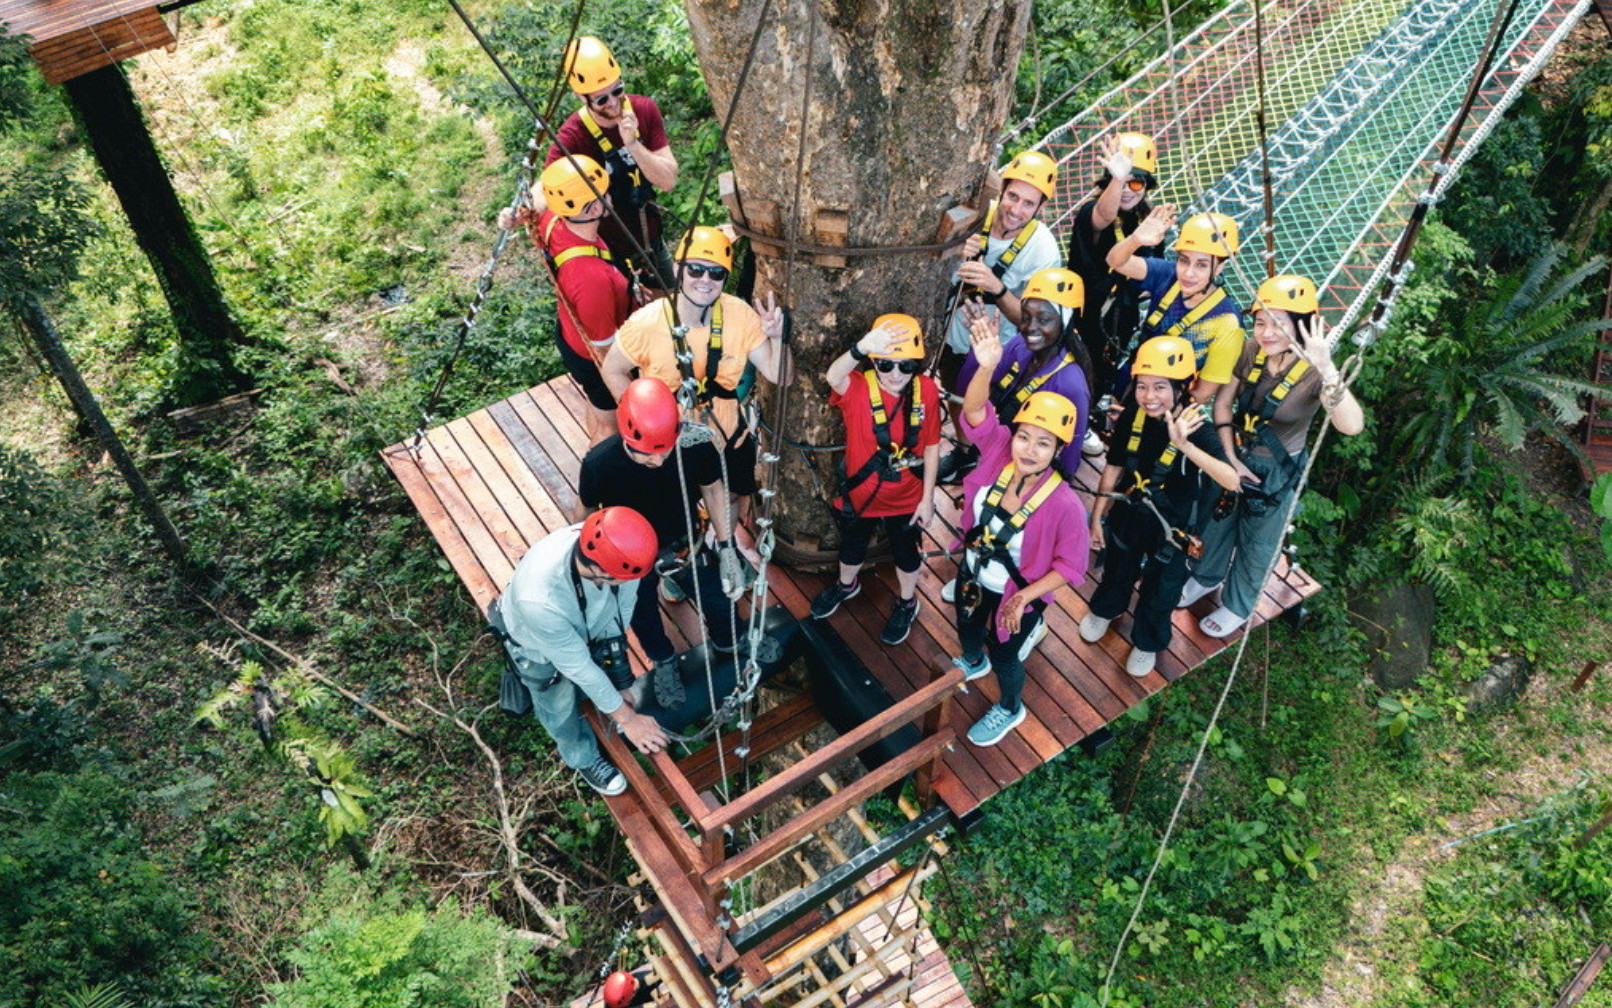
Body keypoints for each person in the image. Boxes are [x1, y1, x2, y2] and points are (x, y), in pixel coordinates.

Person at [1177, 275, 1364, 638]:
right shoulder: (1249, 351)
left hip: (1277, 469)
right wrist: (1230, 457)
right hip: (1234, 451)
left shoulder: (1314, 372)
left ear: (1302, 326)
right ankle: (1206, 575)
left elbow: (1351, 425)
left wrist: (1327, 367)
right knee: (1215, 522)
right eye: (1261, 321)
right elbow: (1225, 404)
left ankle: (1237, 605)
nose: (1266, 332)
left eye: (1278, 323)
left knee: (1259, 541)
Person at [950, 305, 1090, 748]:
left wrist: (1025, 599)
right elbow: (975, 413)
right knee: (969, 626)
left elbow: (1071, 567)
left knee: (1005, 651)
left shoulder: (1064, 505)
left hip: (1017, 591)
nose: (1029, 449)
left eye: (1043, 443)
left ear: (1057, 450)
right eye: (1025, 436)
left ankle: (1010, 707)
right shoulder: (999, 451)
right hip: (975, 569)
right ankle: (971, 660)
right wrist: (986, 367)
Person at [602, 226, 788, 525]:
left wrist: (778, 338)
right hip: (673, 441)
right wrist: (643, 419)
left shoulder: (739, 315)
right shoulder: (647, 323)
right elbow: (613, 369)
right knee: (681, 508)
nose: (705, 280)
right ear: (678, 270)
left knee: (734, 495)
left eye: (716, 274)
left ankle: (729, 543)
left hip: (727, 435)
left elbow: (780, 375)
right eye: (696, 270)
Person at [1079, 336, 1242, 677]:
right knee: (1118, 566)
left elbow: (1231, 479)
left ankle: (1147, 641)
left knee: (1163, 586)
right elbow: (1113, 467)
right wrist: (1097, 517)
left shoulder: (1198, 428)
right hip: (1132, 509)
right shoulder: (1133, 417)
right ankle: (1107, 608)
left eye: (1160, 387)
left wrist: (1185, 446)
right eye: (1142, 386)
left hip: (1176, 523)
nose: (1149, 397)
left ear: (1182, 387)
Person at [579, 379, 745, 706]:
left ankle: (731, 645)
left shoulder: (694, 445)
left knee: (717, 596)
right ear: (627, 437)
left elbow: (712, 489)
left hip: (685, 540)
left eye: (665, 450)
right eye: (647, 455)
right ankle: (663, 661)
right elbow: (584, 515)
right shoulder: (600, 464)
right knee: (640, 613)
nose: (658, 461)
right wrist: (591, 565)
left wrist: (727, 548)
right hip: (629, 553)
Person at [489, 507, 669, 796]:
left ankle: (601, 700)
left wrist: (620, 681)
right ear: (598, 570)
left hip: (586, 627)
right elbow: (578, 667)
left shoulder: (619, 553)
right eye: (618, 580)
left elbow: (620, 614)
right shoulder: (539, 597)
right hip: (537, 647)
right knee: (556, 700)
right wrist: (627, 719)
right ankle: (581, 757)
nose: (627, 585)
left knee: (597, 681)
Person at [809, 314, 943, 646]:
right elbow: (833, 376)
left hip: (907, 496)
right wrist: (860, 349)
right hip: (863, 495)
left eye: (905, 366)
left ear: (917, 365)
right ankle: (846, 585)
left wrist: (928, 499)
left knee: (905, 552)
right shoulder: (857, 387)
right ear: (874, 363)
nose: (896, 374)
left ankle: (908, 601)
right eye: (885, 365)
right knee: (852, 544)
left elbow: (931, 446)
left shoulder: (925, 391)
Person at [939, 150, 1065, 484]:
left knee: (987, 407)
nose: (1016, 209)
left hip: (1001, 345)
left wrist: (996, 288)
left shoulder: (1042, 249)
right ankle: (964, 451)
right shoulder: (973, 218)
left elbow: (1035, 321)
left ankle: (986, 461)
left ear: (1040, 209)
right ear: (1002, 191)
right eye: (1012, 196)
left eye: (1028, 204)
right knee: (954, 391)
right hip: (955, 331)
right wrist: (953, 251)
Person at [500, 154, 630, 444]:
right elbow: (604, 353)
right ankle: (600, 461)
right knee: (613, 429)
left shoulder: (552, 221)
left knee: (597, 408)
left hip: (571, 335)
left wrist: (520, 210)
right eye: (604, 192)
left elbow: (545, 185)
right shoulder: (591, 278)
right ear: (595, 206)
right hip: (593, 357)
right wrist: (631, 397)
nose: (609, 195)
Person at [549, 36, 680, 288]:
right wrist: (521, 210)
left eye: (617, 91)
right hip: (608, 250)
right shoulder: (573, 135)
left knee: (673, 306)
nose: (612, 102)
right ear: (581, 97)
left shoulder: (643, 109)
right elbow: (548, 184)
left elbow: (668, 181)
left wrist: (633, 144)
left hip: (649, 239)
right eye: (600, 99)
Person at [956, 267, 1095, 478]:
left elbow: (1069, 454)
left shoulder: (1069, 384)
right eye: (1026, 316)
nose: (1030, 328)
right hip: (997, 446)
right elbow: (967, 391)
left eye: (1044, 319)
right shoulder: (1020, 346)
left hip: (1026, 468)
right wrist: (982, 351)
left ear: (1065, 322)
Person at [1066, 133, 1163, 428]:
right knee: (1074, 368)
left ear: (1146, 187)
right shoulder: (1091, 212)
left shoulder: (1149, 222)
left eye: (1136, 183)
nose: (1127, 191)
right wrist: (1117, 180)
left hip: (1120, 316)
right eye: (1121, 181)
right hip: (1082, 310)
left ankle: (1085, 420)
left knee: (1103, 370)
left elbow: (1151, 272)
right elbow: (1102, 217)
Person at [1105, 207, 1245, 405]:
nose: (1188, 273)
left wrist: (1148, 411)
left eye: (1202, 265)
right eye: (1183, 261)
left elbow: (1203, 393)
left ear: (1221, 265)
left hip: (1167, 406)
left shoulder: (1228, 322)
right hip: (1129, 383)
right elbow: (1116, 261)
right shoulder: (1168, 276)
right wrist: (1136, 239)